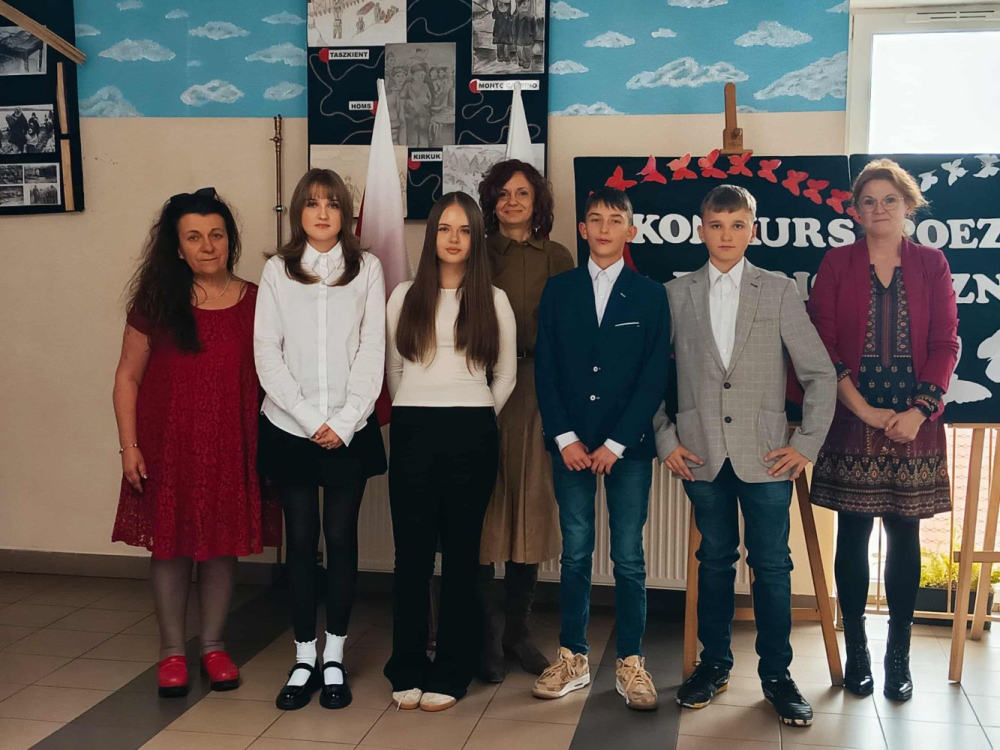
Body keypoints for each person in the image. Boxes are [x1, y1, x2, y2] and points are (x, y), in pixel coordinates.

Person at [653, 185, 836, 726]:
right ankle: (713, 665)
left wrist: (804, 445)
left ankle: (777, 676)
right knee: (714, 561)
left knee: (772, 565)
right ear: (701, 230)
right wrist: (665, 437)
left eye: (737, 225)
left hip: (766, 456)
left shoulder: (777, 290)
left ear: (752, 230)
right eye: (716, 225)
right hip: (701, 453)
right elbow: (647, 376)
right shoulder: (675, 293)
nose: (726, 235)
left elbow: (819, 373)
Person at [807, 159, 958, 703]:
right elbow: (821, 342)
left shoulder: (931, 264)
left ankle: (898, 656)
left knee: (904, 535)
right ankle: (858, 653)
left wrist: (919, 410)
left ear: (908, 205)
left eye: (889, 199)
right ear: (855, 211)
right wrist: (864, 409)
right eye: (868, 201)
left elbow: (946, 342)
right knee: (852, 535)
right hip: (853, 419)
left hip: (915, 424)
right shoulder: (838, 262)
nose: (879, 209)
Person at [112, 188, 269, 698]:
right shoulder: (156, 303)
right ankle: (172, 652)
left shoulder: (257, 301)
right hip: (168, 447)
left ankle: (214, 646)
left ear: (230, 241)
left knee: (221, 549)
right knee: (171, 548)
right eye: (194, 237)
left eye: (217, 235)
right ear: (177, 248)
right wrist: (129, 447)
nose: (208, 246)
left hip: (230, 445)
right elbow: (127, 378)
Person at [532, 187, 670, 711]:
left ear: (630, 231)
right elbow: (546, 367)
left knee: (629, 557)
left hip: (626, 448)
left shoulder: (650, 295)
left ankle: (631, 662)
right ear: (583, 229)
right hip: (569, 445)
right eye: (596, 219)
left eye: (616, 220)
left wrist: (616, 442)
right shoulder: (558, 289)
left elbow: (653, 377)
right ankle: (573, 657)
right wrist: (565, 437)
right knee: (575, 552)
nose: (605, 228)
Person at [255, 168, 387, 711]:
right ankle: (304, 655)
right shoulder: (277, 271)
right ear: (298, 212)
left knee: (341, 537)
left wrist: (347, 418)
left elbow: (373, 350)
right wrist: (313, 421)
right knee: (303, 540)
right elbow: (267, 354)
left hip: (349, 427)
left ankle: (334, 654)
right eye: (312, 203)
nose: (323, 212)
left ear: (345, 213)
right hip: (292, 426)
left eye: (333, 203)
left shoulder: (368, 268)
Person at [384, 191, 517, 712]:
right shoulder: (403, 296)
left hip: (472, 432)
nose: (454, 238)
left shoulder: (494, 300)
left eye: (464, 230)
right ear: (432, 235)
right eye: (444, 228)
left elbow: (504, 376)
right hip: (413, 429)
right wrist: (418, 408)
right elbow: (394, 370)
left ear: (476, 238)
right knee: (412, 556)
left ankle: (453, 669)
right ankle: (407, 665)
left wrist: (474, 412)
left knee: (462, 556)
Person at [475, 159, 574, 683]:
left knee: (530, 510)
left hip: (536, 391)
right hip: (479, 388)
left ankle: (518, 630)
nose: (512, 202)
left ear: (537, 202)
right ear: (490, 201)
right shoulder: (474, 252)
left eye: (522, 193)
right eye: (503, 193)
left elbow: (569, 332)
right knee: (484, 509)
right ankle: (485, 636)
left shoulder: (557, 257)